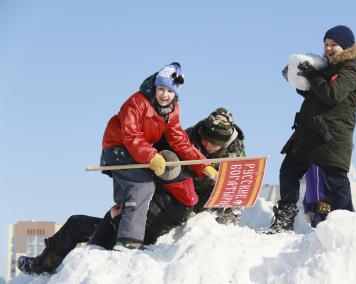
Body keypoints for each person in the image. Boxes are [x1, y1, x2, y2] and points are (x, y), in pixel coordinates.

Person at [17, 107, 245, 275]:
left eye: (214, 144)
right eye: (205, 140)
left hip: (170, 215)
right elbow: (159, 153)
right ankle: (44, 265)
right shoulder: (187, 140)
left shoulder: (234, 155)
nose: (207, 146)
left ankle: (43, 267)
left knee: (79, 225)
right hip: (162, 206)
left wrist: (114, 220)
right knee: (83, 224)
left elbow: (240, 187)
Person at [98, 62, 218, 250]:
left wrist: (203, 165)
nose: (164, 95)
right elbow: (131, 136)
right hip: (118, 149)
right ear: (155, 87)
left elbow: (179, 140)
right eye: (161, 89)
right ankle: (128, 240)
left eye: (169, 91)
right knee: (143, 185)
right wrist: (151, 156)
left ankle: (107, 236)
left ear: (176, 93)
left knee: (152, 185)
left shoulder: (172, 110)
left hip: (141, 150)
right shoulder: (136, 102)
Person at [267, 25, 356, 233]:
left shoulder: (352, 68)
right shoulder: (332, 68)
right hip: (311, 132)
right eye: (326, 44)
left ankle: (346, 226)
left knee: (336, 182)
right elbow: (317, 96)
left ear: (347, 46)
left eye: (334, 44)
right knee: (288, 171)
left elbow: (332, 94)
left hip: (332, 136)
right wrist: (297, 80)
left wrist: (314, 76)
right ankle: (285, 218)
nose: (329, 48)